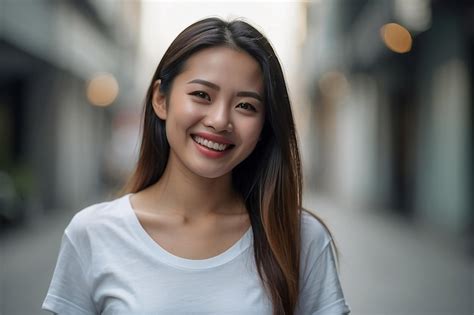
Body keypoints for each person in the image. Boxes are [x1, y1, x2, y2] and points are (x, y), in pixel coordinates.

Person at [42, 17, 350, 315]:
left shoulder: (299, 237)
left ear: (265, 125)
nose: (219, 120)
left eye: (246, 105)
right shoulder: (94, 233)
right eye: (202, 95)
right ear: (160, 100)